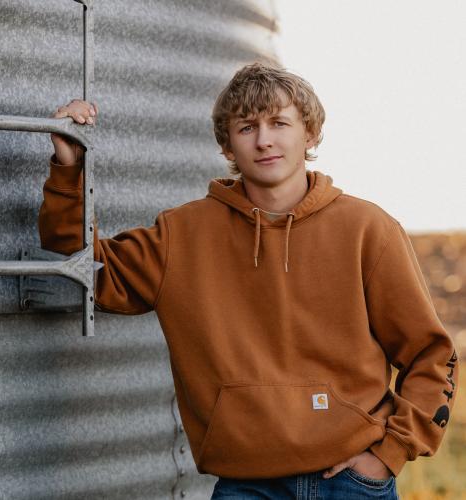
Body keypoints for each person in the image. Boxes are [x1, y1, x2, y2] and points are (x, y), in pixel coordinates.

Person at [39, 62, 459, 499]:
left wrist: (389, 454)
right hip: (246, 485)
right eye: (246, 127)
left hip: (351, 482)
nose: (264, 140)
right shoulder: (181, 235)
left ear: (310, 134)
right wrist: (69, 166)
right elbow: (87, 268)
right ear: (227, 145)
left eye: (279, 123)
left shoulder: (367, 230)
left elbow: (431, 355)